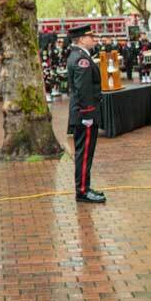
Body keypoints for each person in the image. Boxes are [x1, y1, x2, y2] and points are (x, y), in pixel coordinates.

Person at [66, 25, 105, 203]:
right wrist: (88, 114)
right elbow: (83, 90)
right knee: (84, 155)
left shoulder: (78, 55)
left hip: (82, 113)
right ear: (82, 39)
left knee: (85, 154)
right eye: (91, 36)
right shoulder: (81, 59)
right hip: (85, 114)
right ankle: (82, 191)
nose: (94, 39)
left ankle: (84, 187)